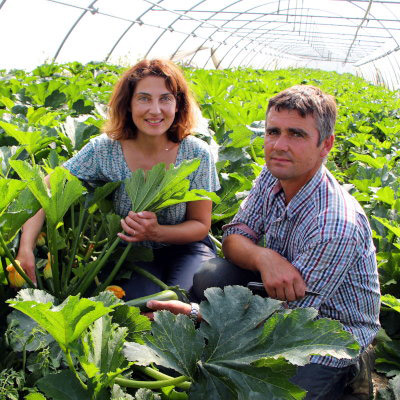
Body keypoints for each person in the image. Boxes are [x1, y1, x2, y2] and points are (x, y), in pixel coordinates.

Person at [147, 85, 381, 399]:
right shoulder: (276, 172)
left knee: (274, 390)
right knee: (211, 275)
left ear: (326, 145)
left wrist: (193, 314)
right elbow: (234, 236)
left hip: (329, 331)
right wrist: (263, 258)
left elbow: (286, 326)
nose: (279, 145)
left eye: (296, 134)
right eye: (273, 131)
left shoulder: (334, 226)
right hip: (279, 292)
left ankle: (350, 376)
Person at [16, 59, 220, 299]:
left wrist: (156, 232)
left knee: (188, 299)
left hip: (188, 247)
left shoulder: (196, 152)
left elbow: (200, 225)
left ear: (178, 105)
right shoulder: (105, 149)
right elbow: (45, 191)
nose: (155, 110)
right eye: (144, 98)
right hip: (130, 253)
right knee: (141, 308)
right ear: (129, 105)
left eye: (165, 98)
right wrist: (26, 248)